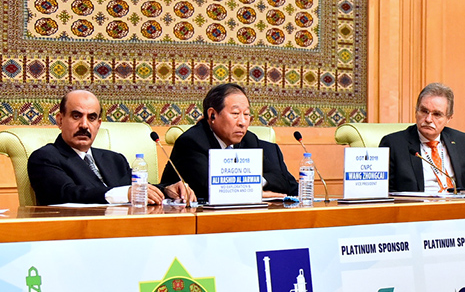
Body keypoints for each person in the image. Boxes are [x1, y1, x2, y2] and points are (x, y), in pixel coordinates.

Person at [28, 90, 193, 206]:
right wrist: (125, 194)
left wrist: (167, 190)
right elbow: (67, 194)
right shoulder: (45, 158)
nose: (84, 125)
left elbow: (138, 189)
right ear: (60, 120)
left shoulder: (114, 159)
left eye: (91, 118)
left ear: (98, 124)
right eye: (76, 116)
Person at [160, 83, 298, 201]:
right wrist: (254, 193)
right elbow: (211, 187)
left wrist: (255, 183)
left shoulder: (249, 140)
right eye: (235, 114)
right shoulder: (192, 142)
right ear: (212, 115)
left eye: (246, 114)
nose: (243, 122)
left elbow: (284, 182)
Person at [380, 83, 465, 192]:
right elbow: (386, 193)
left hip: (456, 202)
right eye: (424, 111)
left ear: (448, 118)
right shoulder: (393, 144)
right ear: (416, 112)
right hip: (419, 202)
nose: (428, 119)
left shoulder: (461, 141)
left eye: (437, 114)